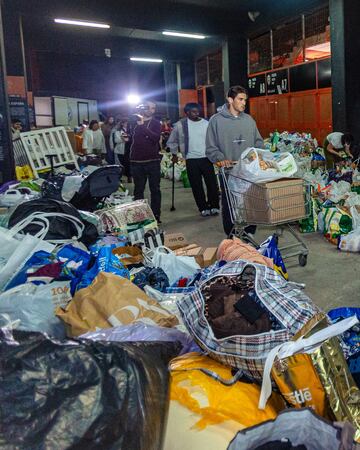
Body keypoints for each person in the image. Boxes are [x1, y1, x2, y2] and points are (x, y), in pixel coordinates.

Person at [206, 85, 264, 236]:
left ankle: (250, 232)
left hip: (249, 170)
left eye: (245, 99)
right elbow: (211, 148)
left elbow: (258, 142)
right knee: (229, 203)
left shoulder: (249, 120)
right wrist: (220, 159)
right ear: (230, 99)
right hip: (229, 171)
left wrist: (257, 155)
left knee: (250, 201)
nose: (244, 103)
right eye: (240, 99)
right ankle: (231, 233)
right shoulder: (216, 121)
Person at [167, 102, 219, 217]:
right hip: (191, 159)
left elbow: (214, 139)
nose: (196, 113)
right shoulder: (180, 125)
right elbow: (172, 141)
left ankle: (214, 206)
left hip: (206, 158)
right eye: (193, 112)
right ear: (187, 113)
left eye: (197, 111)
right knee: (196, 185)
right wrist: (174, 154)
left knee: (212, 184)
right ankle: (203, 207)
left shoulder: (206, 123)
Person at [130, 101, 162, 222]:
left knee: (155, 189)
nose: (150, 110)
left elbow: (155, 138)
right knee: (138, 190)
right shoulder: (133, 122)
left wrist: (142, 126)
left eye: (153, 108)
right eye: (148, 107)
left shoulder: (156, 123)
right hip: (136, 161)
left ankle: (156, 215)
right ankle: (140, 216)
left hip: (152, 161)